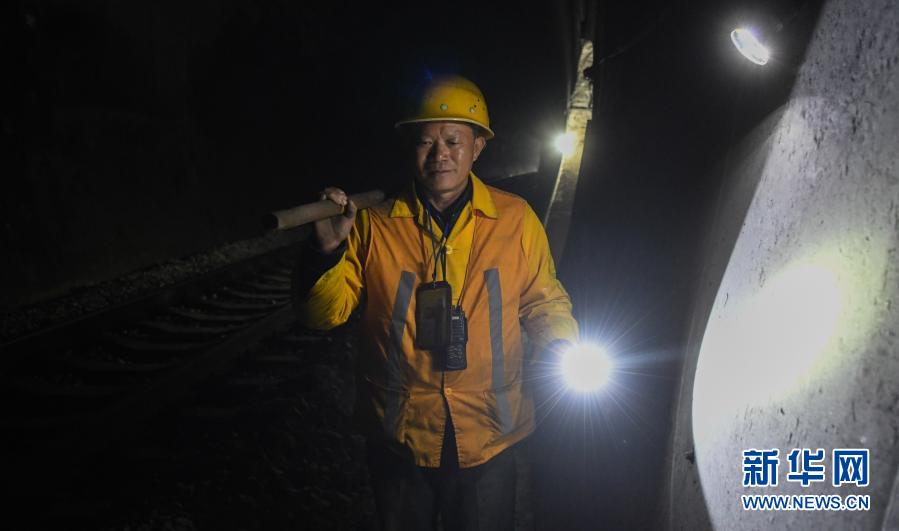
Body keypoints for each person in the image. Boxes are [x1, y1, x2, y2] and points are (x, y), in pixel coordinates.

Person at [292, 75, 579, 531]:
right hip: (399, 440)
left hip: (489, 438)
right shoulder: (373, 225)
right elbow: (323, 315)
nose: (439, 153)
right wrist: (324, 252)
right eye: (426, 141)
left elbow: (543, 300)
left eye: (453, 140)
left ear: (478, 147)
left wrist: (560, 344)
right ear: (410, 147)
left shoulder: (515, 220)